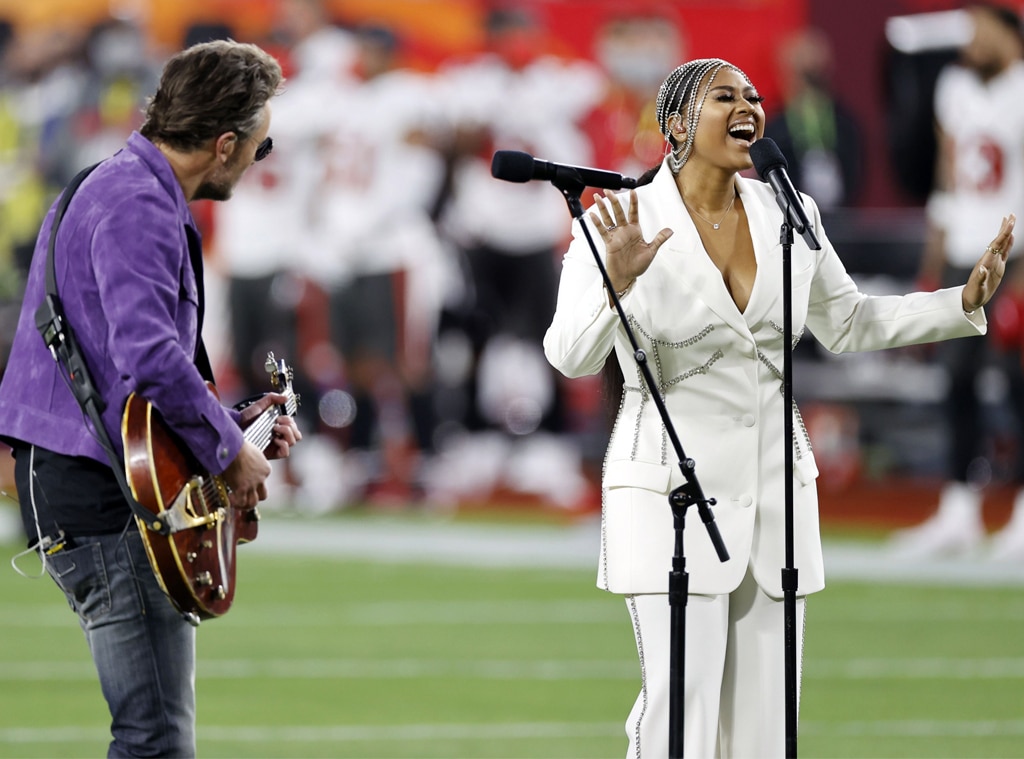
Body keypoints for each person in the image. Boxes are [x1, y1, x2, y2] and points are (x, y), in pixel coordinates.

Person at [542, 57, 1015, 757]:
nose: (748, 106)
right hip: (670, 492)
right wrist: (613, 280)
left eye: (753, 96)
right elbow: (569, 356)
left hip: (776, 499)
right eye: (723, 96)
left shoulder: (786, 211)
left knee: (768, 733)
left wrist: (960, 303)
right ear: (675, 124)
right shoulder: (622, 219)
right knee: (679, 718)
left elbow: (848, 322)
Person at [0, 40, 301, 756]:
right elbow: (147, 357)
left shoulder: (115, 184)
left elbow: (121, 374)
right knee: (154, 739)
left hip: (84, 474)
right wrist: (230, 456)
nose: (261, 160)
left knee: (149, 734)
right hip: (100, 492)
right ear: (224, 145)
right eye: (261, 148)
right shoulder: (137, 203)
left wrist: (231, 426)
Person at [891, 2, 1024, 560]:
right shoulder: (954, 85)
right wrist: (933, 261)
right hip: (965, 252)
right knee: (957, 383)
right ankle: (959, 509)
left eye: (980, 31)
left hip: (1016, 251)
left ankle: (1021, 512)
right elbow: (948, 174)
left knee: (1017, 386)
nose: (969, 42)